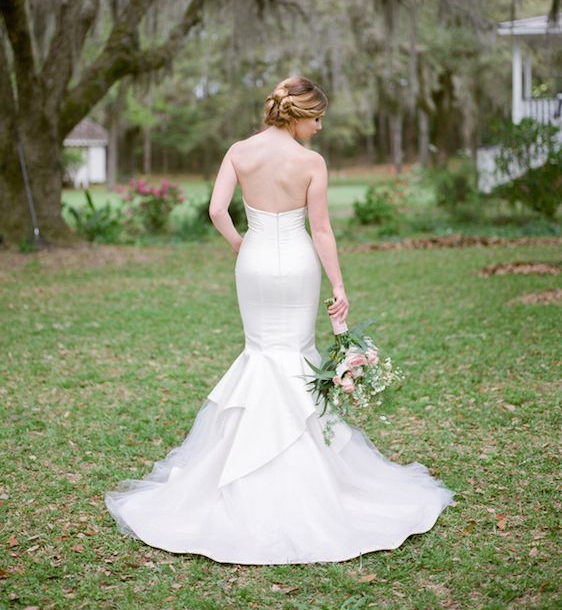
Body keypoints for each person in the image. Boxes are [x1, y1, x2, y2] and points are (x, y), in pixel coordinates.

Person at [105, 76, 455, 564]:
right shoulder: (310, 163)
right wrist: (338, 285)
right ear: (298, 115)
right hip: (295, 264)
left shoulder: (239, 151)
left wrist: (238, 245)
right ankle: (307, 473)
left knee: (261, 353)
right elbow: (322, 229)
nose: (319, 128)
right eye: (317, 118)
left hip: (253, 265)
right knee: (294, 353)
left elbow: (215, 209)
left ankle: (242, 471)